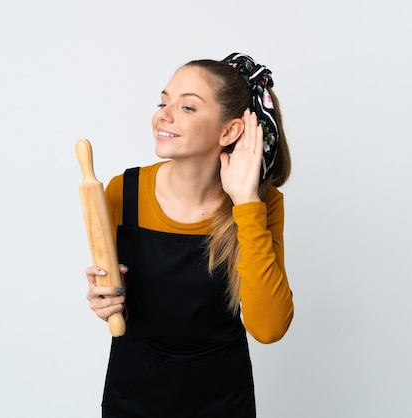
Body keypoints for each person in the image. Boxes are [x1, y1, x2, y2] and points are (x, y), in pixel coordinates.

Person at [85, 52, 294, 418]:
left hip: (222, 400)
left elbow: (269, 328)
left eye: (188, 108)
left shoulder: (261, 204)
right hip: (133, 396)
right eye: (163, 102)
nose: (162, 116)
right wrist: (104, 299)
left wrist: (245, 202)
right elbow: (116, 289)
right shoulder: (123, 192)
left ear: (229, 131)